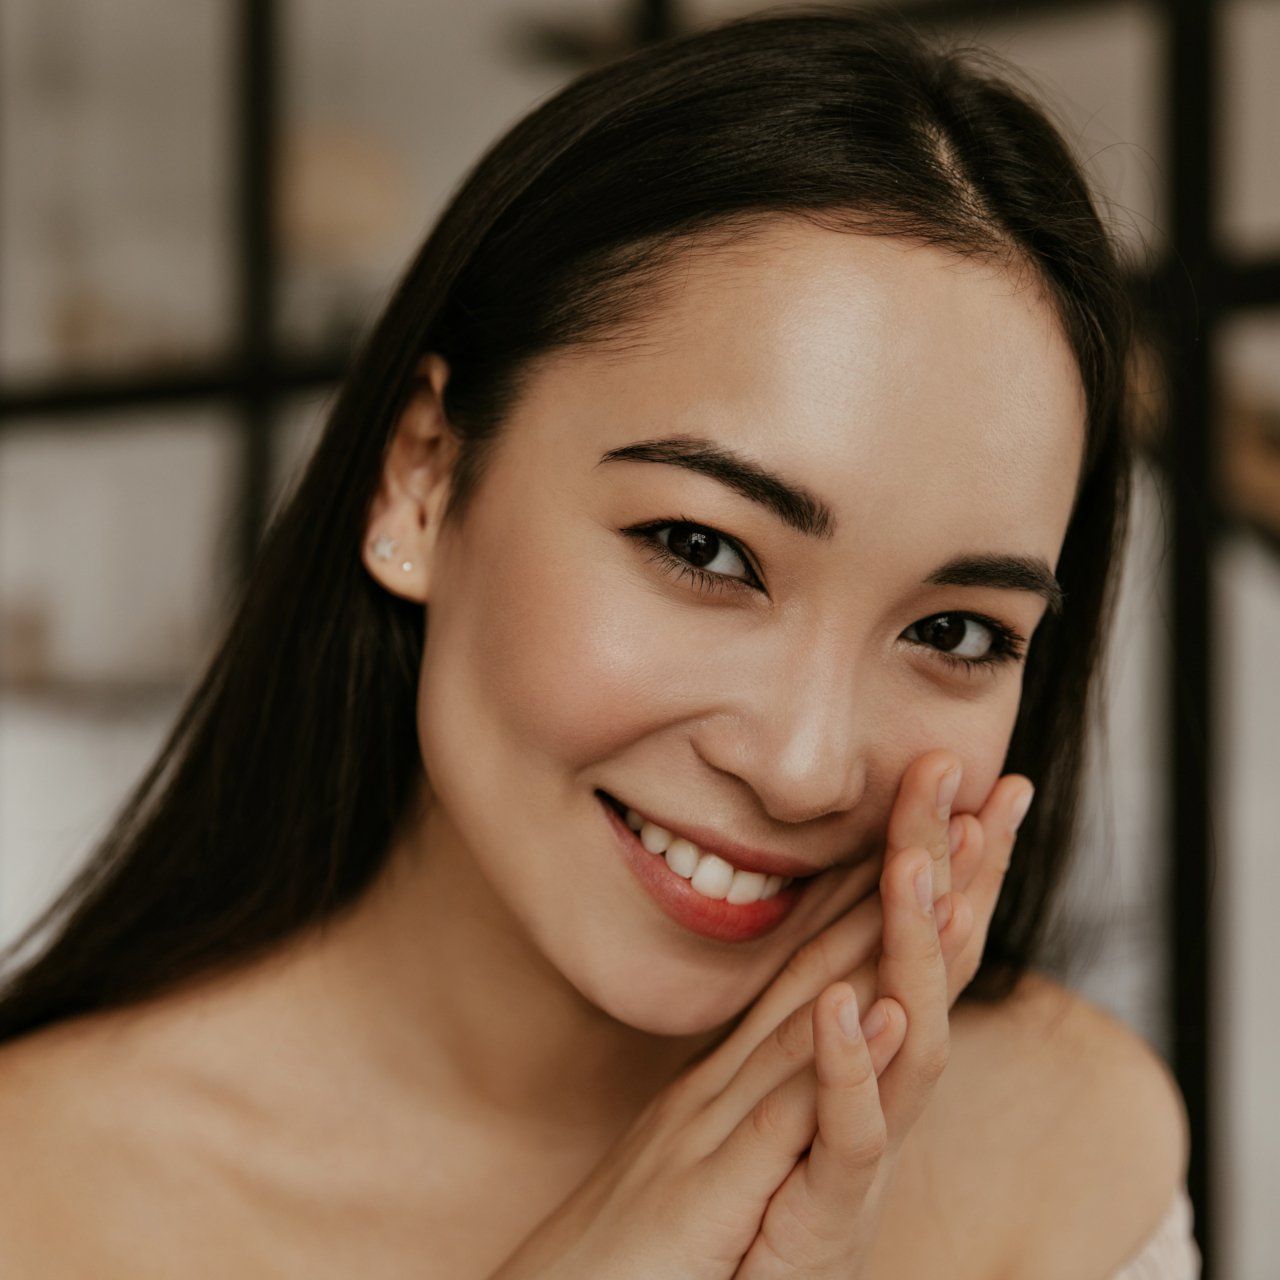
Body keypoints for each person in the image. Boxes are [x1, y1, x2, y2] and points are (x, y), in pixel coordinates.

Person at [0, 8, 1199, 1277]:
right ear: (419, 479)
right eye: (702, 550)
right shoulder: (42, 1195)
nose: (800, 765)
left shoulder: (1054, 1139)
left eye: (954, 629)